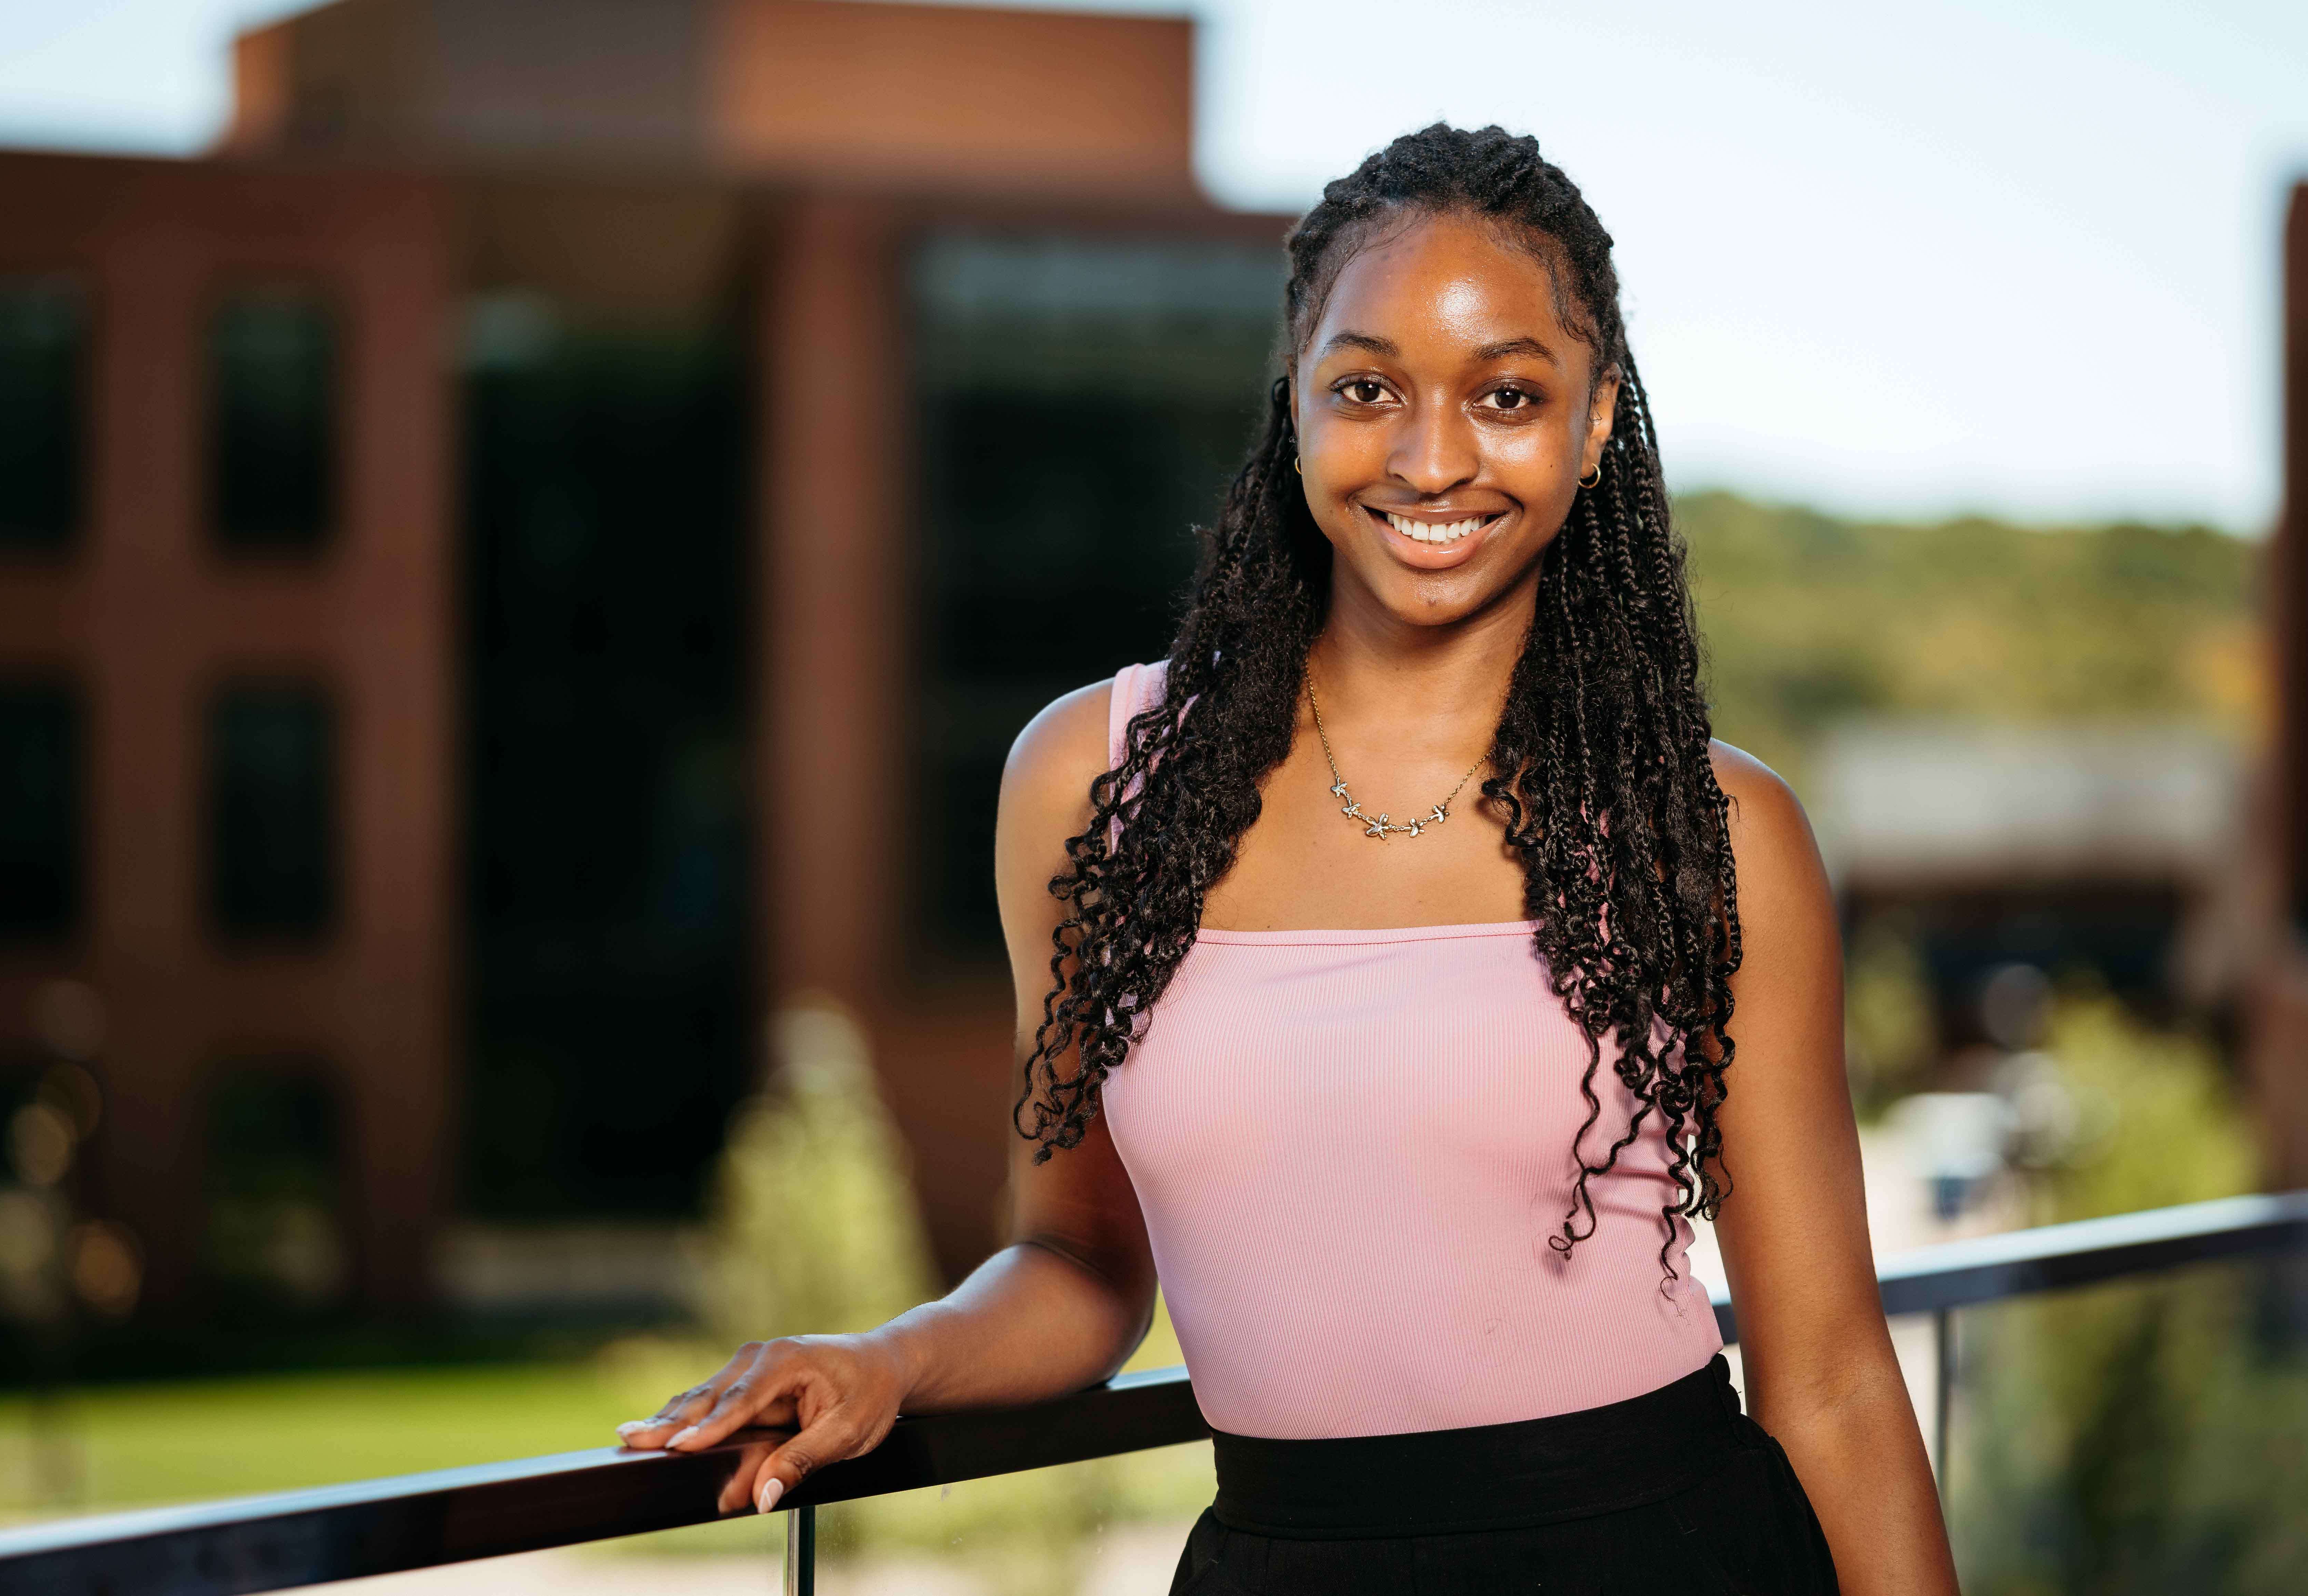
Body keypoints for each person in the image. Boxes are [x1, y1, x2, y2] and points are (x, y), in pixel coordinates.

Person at [620, 123, 1959, 1595]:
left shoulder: (1710, 832)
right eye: (1369, 386)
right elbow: (1079, 1261)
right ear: (1297, 402)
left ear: (1591, 425)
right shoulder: (1094, 784)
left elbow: (1828, 1375)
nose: (1431, 455)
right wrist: (891, 1356)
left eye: (1506, 394)